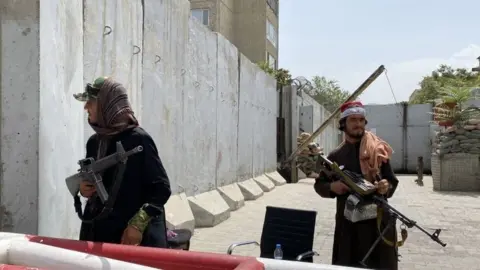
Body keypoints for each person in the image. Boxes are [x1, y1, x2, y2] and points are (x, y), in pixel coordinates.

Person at [73, 77, 171, 247]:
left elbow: (161, 189)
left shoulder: (138, 140)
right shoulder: (94, 142)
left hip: (130, 237)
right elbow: (92, 181)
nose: (85, 107)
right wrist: (83, 188)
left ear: (107, 104)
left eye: (91, 101)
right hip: (98, 231)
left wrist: (137, 225)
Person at [314, 101, 399, 269]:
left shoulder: (377, 150)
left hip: (377, 222)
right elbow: (320, 184)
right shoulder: (335, 155)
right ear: (343, 123)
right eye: (353, 119)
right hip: (349, 224)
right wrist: (332, 187)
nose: (358, 124)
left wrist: (385, 186)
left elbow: (391, 180)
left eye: (361, 120)